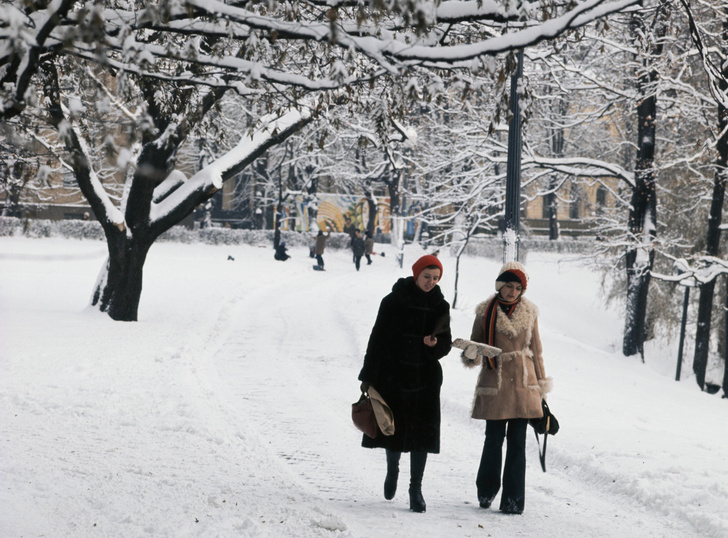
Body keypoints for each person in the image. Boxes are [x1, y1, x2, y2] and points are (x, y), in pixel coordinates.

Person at [358, 255, 452, 513]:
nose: (431, 282)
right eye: (427, 277)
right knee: (393, 429)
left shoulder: (440, 306)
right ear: (416, 274)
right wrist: (368, 375)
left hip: (425, 379)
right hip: (393, 375)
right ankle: (392, 470)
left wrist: (436, 346)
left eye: (436, 278)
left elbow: (446, 343)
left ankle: (416, 489)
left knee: (422, 436)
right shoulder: (393, 301)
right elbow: (376, 339)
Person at [462, 261, 551, 515]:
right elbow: (475, 348)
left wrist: (542, 387)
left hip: (524, 385)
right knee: (493, 440)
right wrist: (469, 353)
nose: (512, 292)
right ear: (499, 285)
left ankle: (513, 501)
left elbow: (537, 351)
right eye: (508, 286)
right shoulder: (484, 312)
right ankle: (486, 490)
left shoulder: (530, 312)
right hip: (495, 380)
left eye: (517, 287)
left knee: (517, 443)